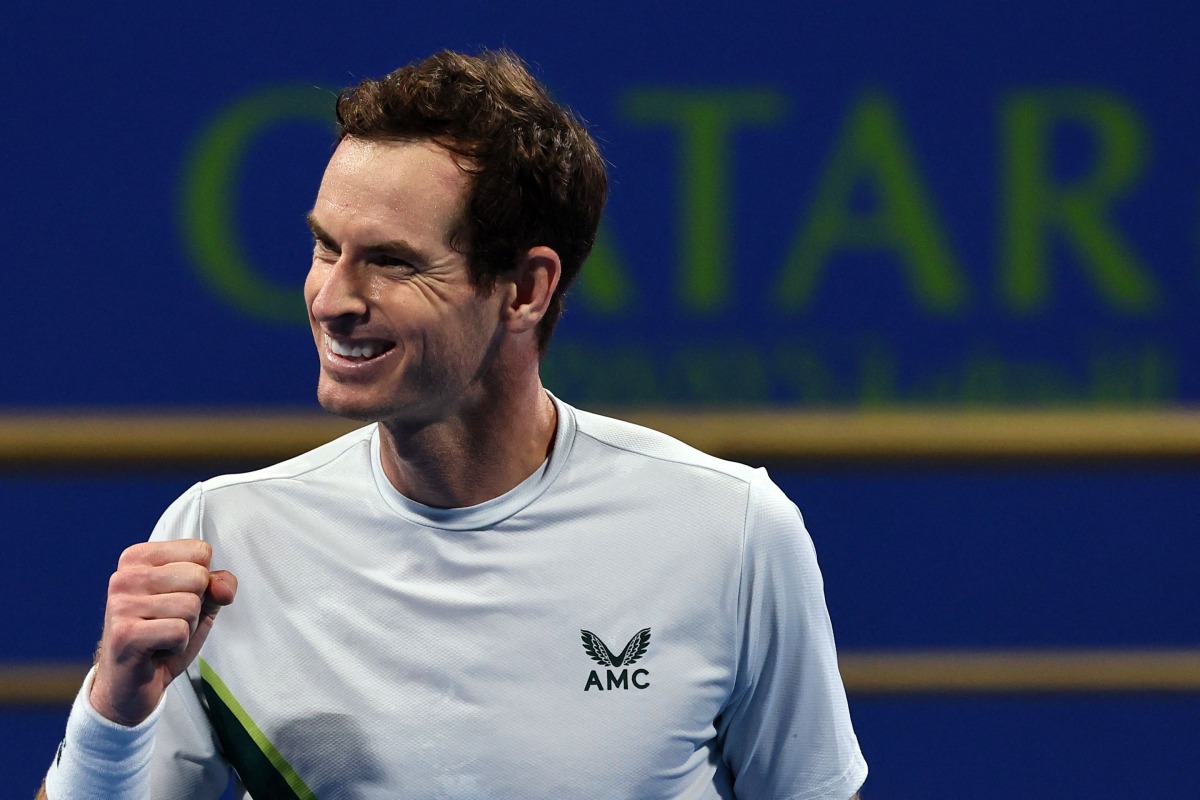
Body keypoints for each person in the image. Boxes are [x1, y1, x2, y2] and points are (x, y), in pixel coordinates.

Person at [39, 49, 867, 799]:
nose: (332, 299)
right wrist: (113, 707)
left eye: (391, 261)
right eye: (326, 248)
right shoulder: (223, 539)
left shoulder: (733, 532)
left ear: (525, 289)